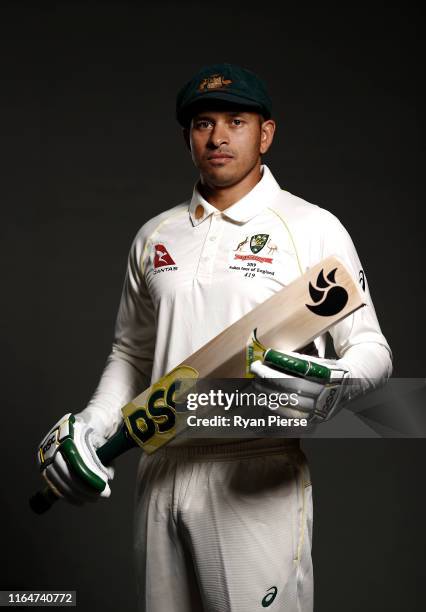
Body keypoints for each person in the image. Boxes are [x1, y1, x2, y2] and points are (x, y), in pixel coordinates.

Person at [37, 63, 392, 611]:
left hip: (254, 469)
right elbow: (131, 353)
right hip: (159, 464)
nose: (219, 136)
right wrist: (92, 423)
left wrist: (334, 384)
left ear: (265, 133)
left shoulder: (311, 227)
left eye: (236, 120)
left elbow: (372, 351)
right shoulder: (156, 235)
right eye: (204, 123)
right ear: (187, 138)